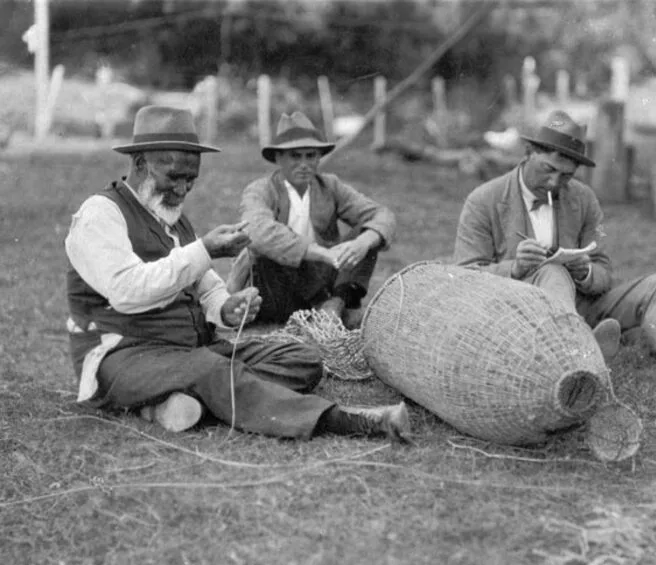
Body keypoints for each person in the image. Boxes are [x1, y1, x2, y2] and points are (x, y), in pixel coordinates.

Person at [65, 105, 410, 440]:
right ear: (140, 163)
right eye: (174, 177)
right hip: (124, 356)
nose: (183, 190)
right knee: (211, 369)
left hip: (187, 352)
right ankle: (342, 419)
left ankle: (175, 402)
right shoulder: (100, 214)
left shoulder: (172, 218)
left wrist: (226, 308)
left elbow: (207, 287)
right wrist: (205, 250)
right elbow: (127, 291)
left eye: (191, 180)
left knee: (301, 358)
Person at [452, 109, 656, 392]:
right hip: (520, 314)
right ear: (528, 152)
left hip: (580, 304)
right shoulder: (483, 201)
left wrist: (585, 270)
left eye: (565, 176)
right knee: (551, 271)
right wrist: (515, 267)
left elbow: (604, 271)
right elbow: (464, 276)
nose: (554, 183)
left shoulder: (583, 198)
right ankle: (577, 355)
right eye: (548, 169)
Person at [226, 111, 396, 328]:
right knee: (268, 244)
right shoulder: (261, 190)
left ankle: (336, 304)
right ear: (278, 158)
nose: (304, 164)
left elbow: (383, 215)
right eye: (295, 156)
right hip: (280, 287)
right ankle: (327, 308)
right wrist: (322, 253)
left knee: (368, 232)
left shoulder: (330, 186)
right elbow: (257, 231)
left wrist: (363, 243)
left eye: (311, 156)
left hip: (325, 279)